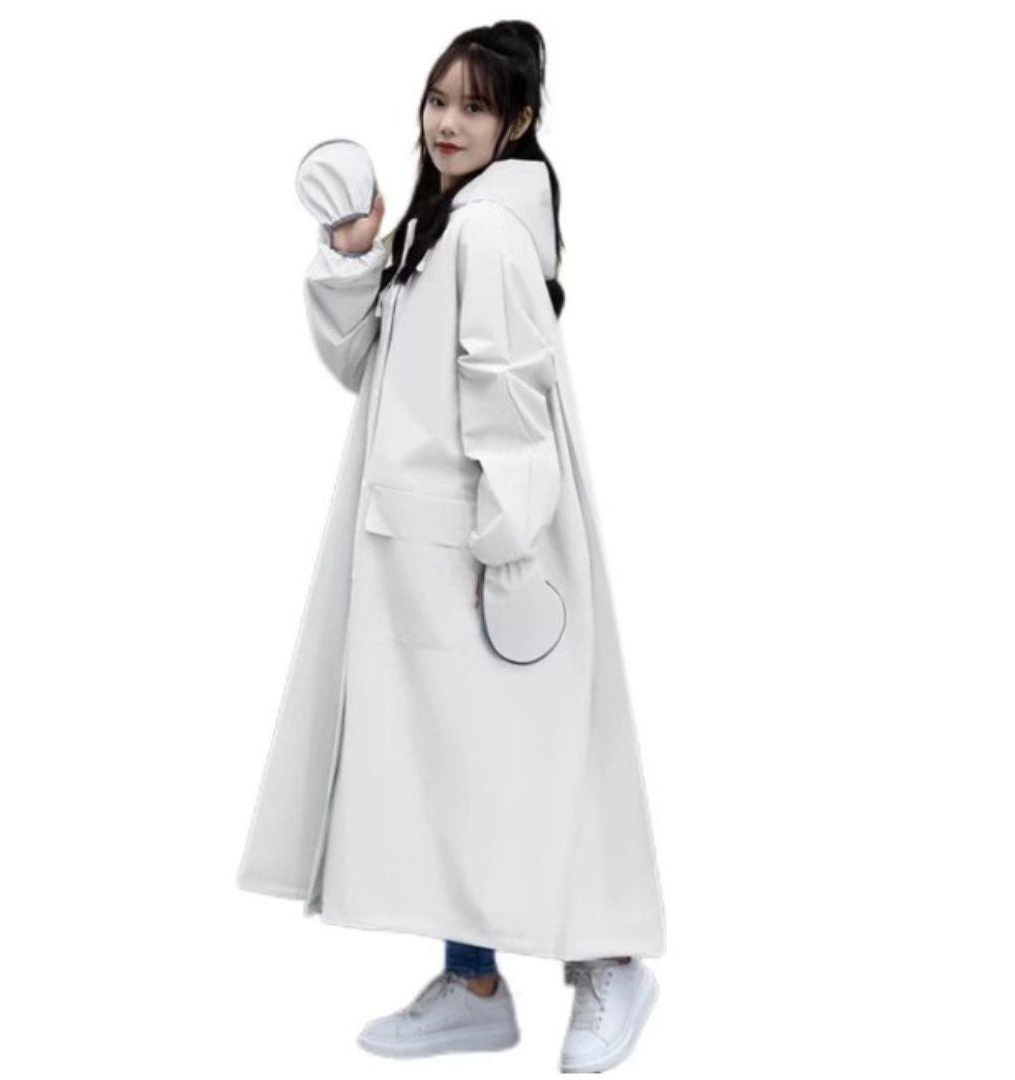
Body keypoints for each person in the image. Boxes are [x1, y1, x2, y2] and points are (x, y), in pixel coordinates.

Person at [237, 20, 666, 1074]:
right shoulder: (444, 222)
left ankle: (611, 963)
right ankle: (474, 982)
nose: (447, 122)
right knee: (456, 770)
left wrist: (508, 549)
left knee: (527, 756)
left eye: (474, 106)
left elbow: (509, 393)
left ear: (518, 122)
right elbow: (369, 367)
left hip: (485, 547)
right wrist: (354, 255)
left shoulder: (487, 232)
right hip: (432, 546)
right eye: (438, 100)